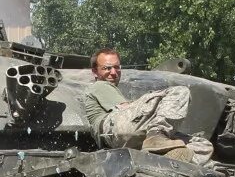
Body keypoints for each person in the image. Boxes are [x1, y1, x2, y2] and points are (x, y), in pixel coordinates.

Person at [80, 48, 209, 160]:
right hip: (111, 129)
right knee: (179, 92)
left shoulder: (110, 87)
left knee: (202, 146)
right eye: (107, 68)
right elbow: (124, 108)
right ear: (95, 71)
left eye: (117, 67)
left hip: (132, 134)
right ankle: (157, 136)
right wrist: (156, 102)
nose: (113, 72)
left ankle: (167, 158)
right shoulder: (99, 86)